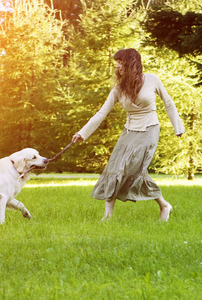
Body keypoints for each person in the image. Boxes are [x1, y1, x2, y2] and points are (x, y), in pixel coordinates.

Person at [72, 48, 185, 222]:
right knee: (114, 169)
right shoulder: (118, 89)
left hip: (150, 129)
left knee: (134, 168)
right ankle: (108, 216)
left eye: (121, 62)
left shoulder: (152, 79)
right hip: (129, 131)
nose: (117, 66)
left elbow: (168, 103)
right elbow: (101, 114)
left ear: (132, 63)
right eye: (116, 63)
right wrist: (82, 133)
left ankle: (163, 205)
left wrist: (178, 127)